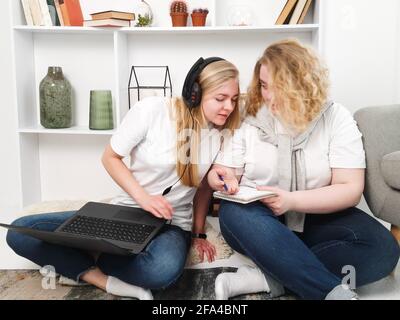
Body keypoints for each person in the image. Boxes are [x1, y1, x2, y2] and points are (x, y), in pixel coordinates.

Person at [6, 57, 241, 300]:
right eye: (220, 99)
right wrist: (144, 199)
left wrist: (198, 233)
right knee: (18, 233)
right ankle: (99, 277)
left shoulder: (220, 133)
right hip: (128, 213)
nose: (229, 107)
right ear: (195, 92)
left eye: (233, 99)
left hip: (172, 225)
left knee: (161, 271)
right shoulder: (152, 110)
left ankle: (87, 258)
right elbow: (110, 157)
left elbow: (203, 188)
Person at [207, 39, 400, 300]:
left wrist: (291, 200)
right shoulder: (248, 116)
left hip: (314, 213)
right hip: (256, 218)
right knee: (234, 211)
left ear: (304, 84)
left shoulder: (335, 118)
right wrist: (220, 176)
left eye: (279, 87)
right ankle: (331, 293)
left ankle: (270, 277)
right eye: (264, 85)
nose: (268, 96)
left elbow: (350, 189)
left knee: (383, 249)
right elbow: (225, 171)